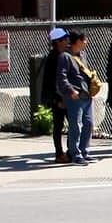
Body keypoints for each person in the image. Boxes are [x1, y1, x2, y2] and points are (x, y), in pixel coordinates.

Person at [56, 31, 97, 164]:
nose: (86, 42)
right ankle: (75, 154)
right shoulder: (65, 56)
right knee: (76, 125)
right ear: (78, 41)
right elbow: (62, 77)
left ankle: (84, 151)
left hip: (86, 94)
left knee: (88, 123)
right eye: (84, 40)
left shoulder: (82, 55)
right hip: (74, 96)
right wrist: (70, 90)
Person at [42, 28, 70, 163]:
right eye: (65, 39)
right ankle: (59, 154)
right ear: (58, 42)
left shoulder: (62, 55)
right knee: (58, 126)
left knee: (72, 124)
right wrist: (57, 99)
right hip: (58, 98)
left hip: (64, 97)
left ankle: (70, 151)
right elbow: (52, 81)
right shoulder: (54, 57)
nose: (67, 41)